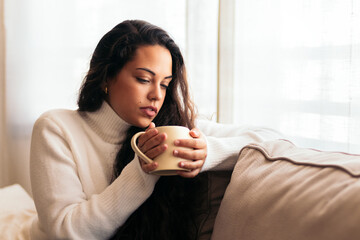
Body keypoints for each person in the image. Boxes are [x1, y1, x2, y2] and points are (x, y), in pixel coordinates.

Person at [29, 19, 282, 239]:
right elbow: (66, 232)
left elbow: (273, 140)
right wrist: (142, 170)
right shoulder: (56, 128)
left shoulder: (172, 129)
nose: (156, 95)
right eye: (144, 79)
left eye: (164, 84)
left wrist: (208, 152)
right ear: (106, 76)